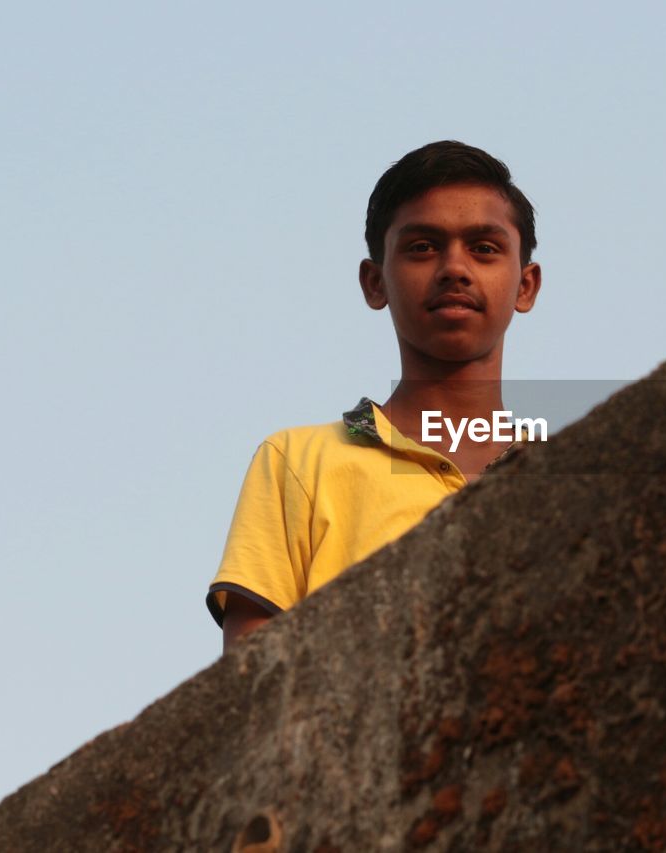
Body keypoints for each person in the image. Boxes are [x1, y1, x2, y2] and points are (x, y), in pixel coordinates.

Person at [207, 141, 542, 651]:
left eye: (484, 248)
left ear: (525, 285)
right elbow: (250, 686)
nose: (455, 268)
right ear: (374, 282)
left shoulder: (566, 471)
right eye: (423, 247)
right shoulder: (298, 463)